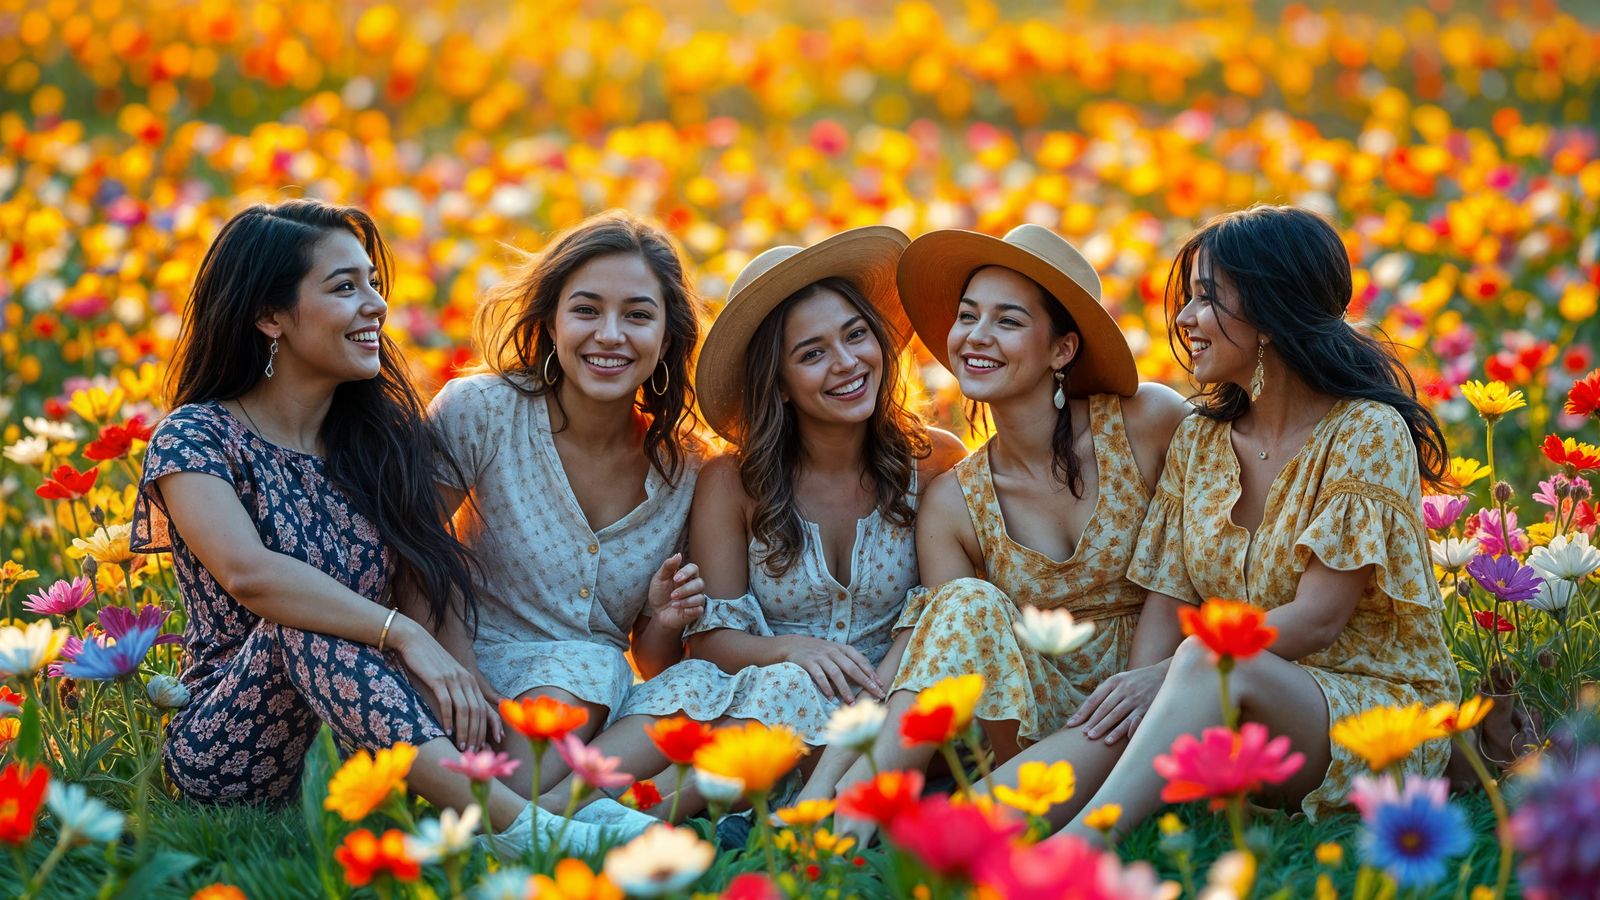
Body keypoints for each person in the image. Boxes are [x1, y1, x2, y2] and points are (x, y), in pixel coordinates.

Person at [992, 205, 1458, 838]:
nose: (1184, 321)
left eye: (1206, 299)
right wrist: (1140, 689)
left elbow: (1320, 618)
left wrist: (1170, 671)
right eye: (1187, 301)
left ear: (1269, 314)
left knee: (1208, 661)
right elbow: (1169, 594)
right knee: (1136, 709)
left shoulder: (1364, 431)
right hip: (1226, 690)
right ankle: (943, 831)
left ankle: (1079, 851)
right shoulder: (1200, 441)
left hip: (1377, 719)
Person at [133, 199, 532, 837]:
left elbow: (423, 567)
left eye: (373, 283)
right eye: (346, 288)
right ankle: (519, 829)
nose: (375, 304)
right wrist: (403, 635)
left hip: (365, 734)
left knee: (347, 629)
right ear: (269, 316)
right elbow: (249, 574)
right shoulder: (196, 437)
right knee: (299, 623)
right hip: (232, 742)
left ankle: (513, 803)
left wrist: (465, 678)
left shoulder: (375, 444)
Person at [593, 227, 965, 813]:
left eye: (856, 335)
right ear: (781, 385)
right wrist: (790, 650)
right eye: (812, 353)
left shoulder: (936, 462)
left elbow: (950, 614)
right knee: (727, 692)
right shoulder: (733, 482)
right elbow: (712, 642)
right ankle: (549, 813)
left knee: (788, 705)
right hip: (764, 704)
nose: (846, 363)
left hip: (889, 718)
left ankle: (628, 820)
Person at [831, 224, 1190, 827]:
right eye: (968, 316)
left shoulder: (1148, 423)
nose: (976, 336)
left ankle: (903, 822)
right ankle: (850, 820)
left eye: (1008, 321)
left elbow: (1201, 568)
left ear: (1063, 350)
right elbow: (945, 661)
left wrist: (1158, 675)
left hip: (1169, 688)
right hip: (1034, 723)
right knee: (965, 603)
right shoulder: (953, 502)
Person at [427, 211, 708, 828]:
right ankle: (532, 821)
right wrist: (460, 676)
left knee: (705, 688)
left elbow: (650, 657)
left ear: (667, 335)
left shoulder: (686, 468)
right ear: (550, 321)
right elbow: (412, 556)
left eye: (638, 315)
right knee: (593, 667)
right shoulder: (483, 410)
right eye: (586, 310)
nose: (610, 335)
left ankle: (533, 821)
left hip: (599, 699)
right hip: (468, 668)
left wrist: (663, 619)